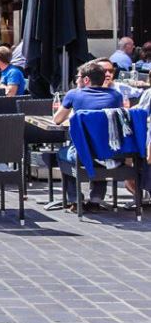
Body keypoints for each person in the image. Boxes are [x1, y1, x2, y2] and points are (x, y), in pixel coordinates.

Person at [53, 61, 128, 212]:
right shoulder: (116, 96)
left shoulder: (74, 94)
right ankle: (96, 200)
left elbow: (57, 120)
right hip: (113, 155)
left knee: (62, 153)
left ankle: (75, 199)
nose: (76, 80)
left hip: (84, 155)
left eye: (78, 77)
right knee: (100, 146)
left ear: (86, 80)